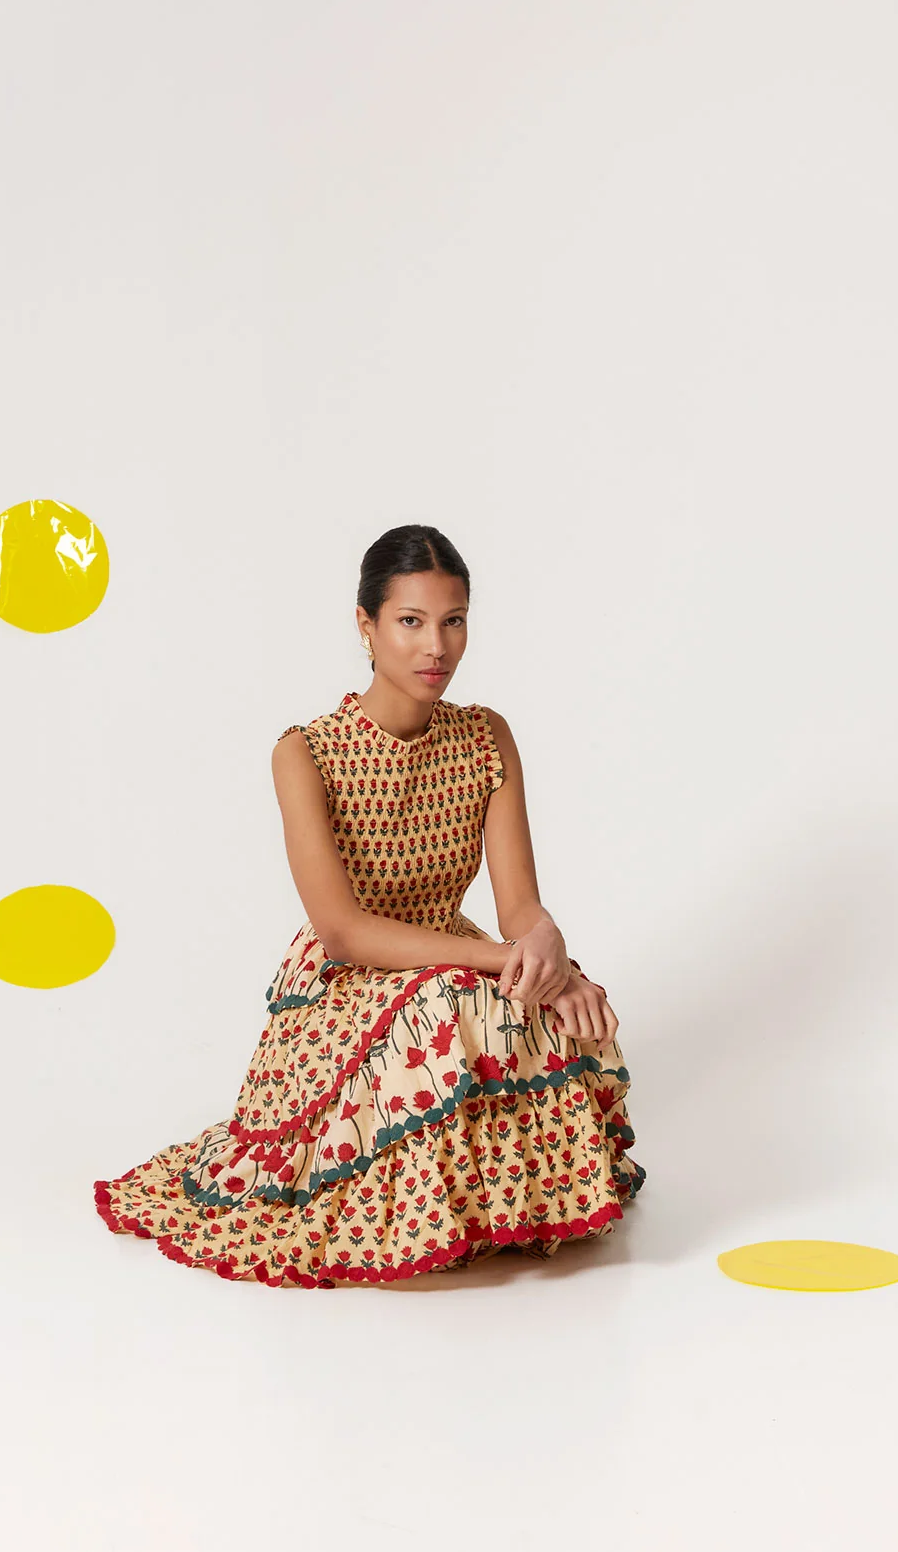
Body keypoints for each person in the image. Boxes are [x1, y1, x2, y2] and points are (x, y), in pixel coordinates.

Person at [94, 524, 645, 1287]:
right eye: (410, 621)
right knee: (452, 1005)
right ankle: (409, 1211)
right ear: (366, 625)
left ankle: (496, 1206)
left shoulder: (486, 738)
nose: (436, 647)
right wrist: (504, 960)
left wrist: (549, 952)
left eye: (452, 621)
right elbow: (343, 932)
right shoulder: (305, 752)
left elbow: (519, 905)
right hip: (347, 982)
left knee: (540, 1008)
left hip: (454, 958)